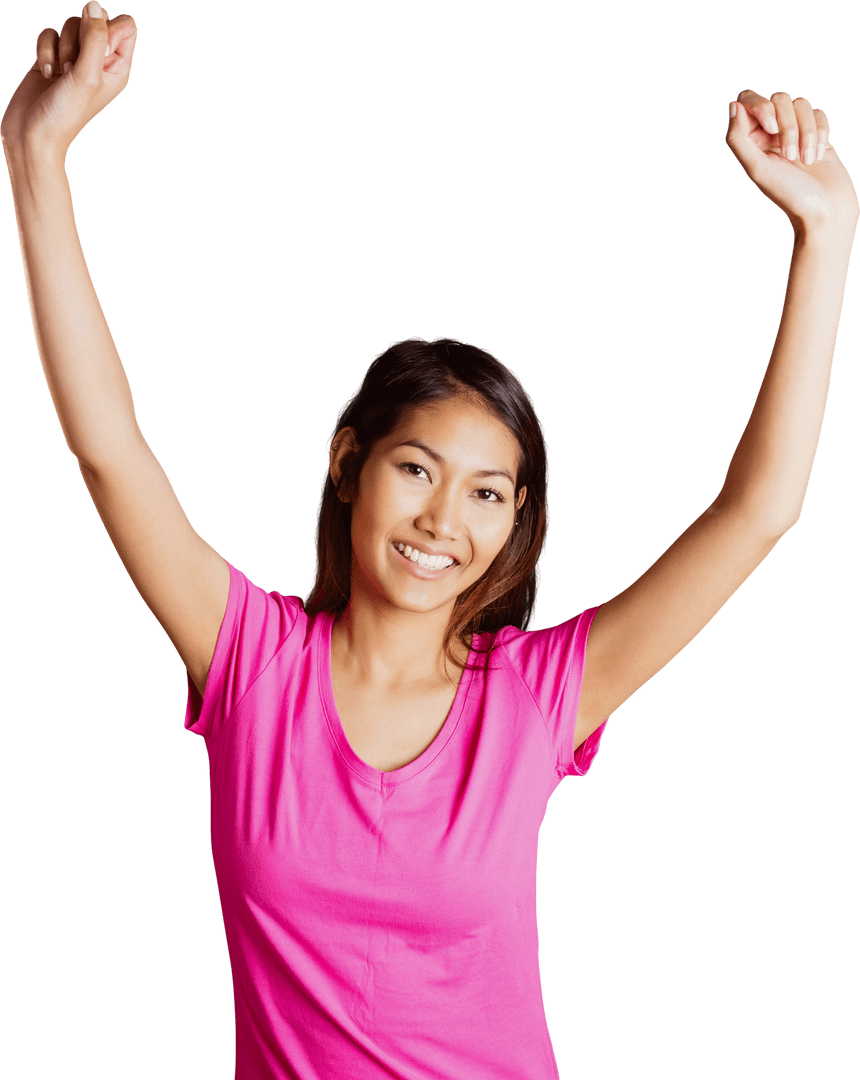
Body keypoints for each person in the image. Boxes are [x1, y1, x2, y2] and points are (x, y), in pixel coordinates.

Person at [2, 5, 858, 1079]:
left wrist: (822, 237)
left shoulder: (538, 696)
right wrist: (34, 153)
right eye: (416, 470)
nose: (444, 523)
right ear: (346, 462)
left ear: (515, 522)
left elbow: (757, 511)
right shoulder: (250, 666)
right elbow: (109, 451)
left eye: (488, 493)